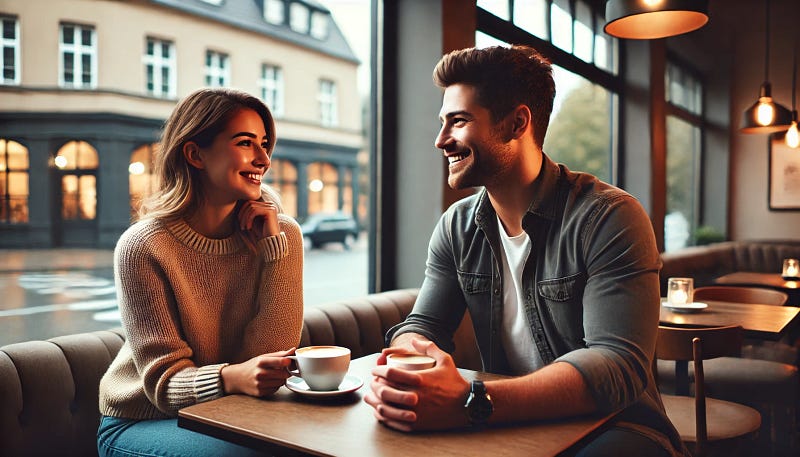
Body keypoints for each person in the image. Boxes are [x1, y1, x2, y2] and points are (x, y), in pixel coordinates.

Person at [364, 45, 687, 457]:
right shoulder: (457, 226)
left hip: (616, 428)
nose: (441, 139)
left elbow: (616, 366)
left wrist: (471, 400)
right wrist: (412, 356)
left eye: (458, 121)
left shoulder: (610, 217)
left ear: (517, 123)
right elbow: (424, 323)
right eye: (442, 123)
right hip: (502, 425)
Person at [97, 88, 303, 457]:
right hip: (143, 422)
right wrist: (229, 377)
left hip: (236, 412)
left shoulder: (281, 234)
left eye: (265, 144)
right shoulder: (143, 246)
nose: (263, 159)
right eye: (245, 143)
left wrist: (273, 250)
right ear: (194, 154)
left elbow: (270, 357)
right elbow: (163, 385)